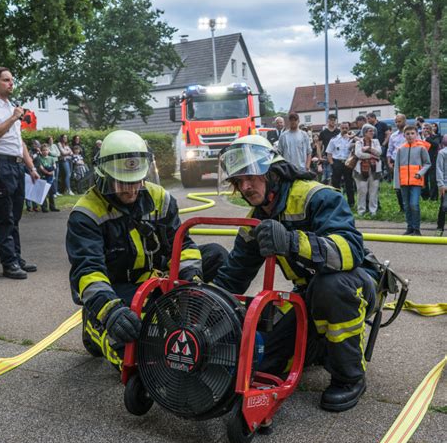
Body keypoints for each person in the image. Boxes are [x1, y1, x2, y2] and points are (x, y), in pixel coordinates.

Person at [215, 134, 379, 412]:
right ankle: (317, 347)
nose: (245, 186)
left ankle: (349, 377)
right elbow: (233, 277)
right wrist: (199, 305)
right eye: (238, 180)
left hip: (354, 284)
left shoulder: (317, 196)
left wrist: (292, 241)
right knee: (267, 363)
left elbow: (351, 251)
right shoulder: (256, 220)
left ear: (272, 171)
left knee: (330, 288)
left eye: (252, 176)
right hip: (307, 295)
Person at [66, 130, 227, 370]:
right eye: (122, 183)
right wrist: (112, 311)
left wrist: (191, 283)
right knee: (136, 348)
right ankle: (95, 325)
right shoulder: (86, 214)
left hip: (156, 275)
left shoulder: (160, 198)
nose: (131, 191)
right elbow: (88, 271)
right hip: (118, 287)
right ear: (103, 178)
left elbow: (182, 246)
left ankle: (207, 320)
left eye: (136, 182)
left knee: (216, 254)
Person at [0, 67, 38, 279]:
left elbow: (18, 142)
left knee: (15, 216)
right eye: (6, 80)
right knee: (4, 216)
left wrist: (31, 167)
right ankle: (9, 263)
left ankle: (16, 257)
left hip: (16, 165)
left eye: (12, 80)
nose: (11, 83)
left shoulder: (12, 107)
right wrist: (13, 118)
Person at [394, 125, 431, 236]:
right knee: (406, 205)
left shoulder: (421, 148)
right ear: (404, 135)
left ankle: (416, 229)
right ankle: (409, 227)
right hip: (404, 181)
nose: (410, 136)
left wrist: (420, 173)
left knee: (414, 204)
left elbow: (427, 163)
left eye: (412, 133)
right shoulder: (401, 149)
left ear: (416, 134)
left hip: (416, 181)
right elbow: (397, 167)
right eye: (407, 134)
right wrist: (397, 184)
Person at [353, 124, 382, 216]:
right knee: (362, 190)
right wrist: (371, 155)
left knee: (374, 191)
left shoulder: (376, 141)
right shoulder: (359, 142)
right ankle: (361, 211)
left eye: (373, 131)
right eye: (370, 131)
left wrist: (369, 148)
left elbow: (379, 152)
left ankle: (373, 211)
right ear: (365, 132)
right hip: (361, 170)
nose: (372, 133)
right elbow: (358, 154)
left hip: (374, 169)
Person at [326, 121, 355, 208]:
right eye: (343, 128)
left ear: (349, 128)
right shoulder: (334, 139)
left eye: (346, 128)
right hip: (337, 162)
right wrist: (332, 164)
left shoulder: (351, 139)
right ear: (339, 128)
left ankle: (351, 203)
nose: (345, 130)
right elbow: (329, 153)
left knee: (349, 183)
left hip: (348, 163)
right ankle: (337, 203)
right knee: (336, 184)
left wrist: (353, 136)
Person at [387, 114, 408, 212]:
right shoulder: (393, 136)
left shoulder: (411, 133)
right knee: (398, 186)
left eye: (399, 121)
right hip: (396, 162)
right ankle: (402, 207)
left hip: (408, 163)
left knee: (407, 185)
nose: (397, 124)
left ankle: (409, 206)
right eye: (396, 122)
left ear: (404, 121)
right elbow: (389, 150)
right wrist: (389, 162)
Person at [35, 144, 60, 213]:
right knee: (44, 193)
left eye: (46, 150)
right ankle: (44, 207)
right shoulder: (40, 158)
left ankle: (52, 207)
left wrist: (51, 171)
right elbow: (41, 167)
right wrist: (47, 172)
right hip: (43, 177)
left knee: (51, 193)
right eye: (43, 150)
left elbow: (54, 166)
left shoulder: (51, 158)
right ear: (41, 151)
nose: (45, 151)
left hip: (51, 178)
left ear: (48, 151)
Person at [317, 113, 340, 184]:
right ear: (328, 121)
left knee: (336, 177)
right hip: (327, 157)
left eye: (334, 120)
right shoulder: (323, 132)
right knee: (326, 178)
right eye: (331, 120)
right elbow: (318, 145)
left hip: (337, 157)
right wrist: (320, 157)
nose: (333, 122)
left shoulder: (338, 132)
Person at [421, 123, 440, 201]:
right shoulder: (419, 137)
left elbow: (436, 144)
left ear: (430, 129)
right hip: (423, 161)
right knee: (423, 179)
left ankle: (433, 198)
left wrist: (428, 138)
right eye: (424, 128)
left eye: (427, 128)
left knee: (433, 180)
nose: (425, 130)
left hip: (433, 160)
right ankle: (425, 196)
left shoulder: (436, 136)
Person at [436, 144, 447, 236]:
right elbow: (439, 169)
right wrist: (441, 184)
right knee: (443, 207)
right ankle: (440, 228)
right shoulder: (442, 153)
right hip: (445, 185)